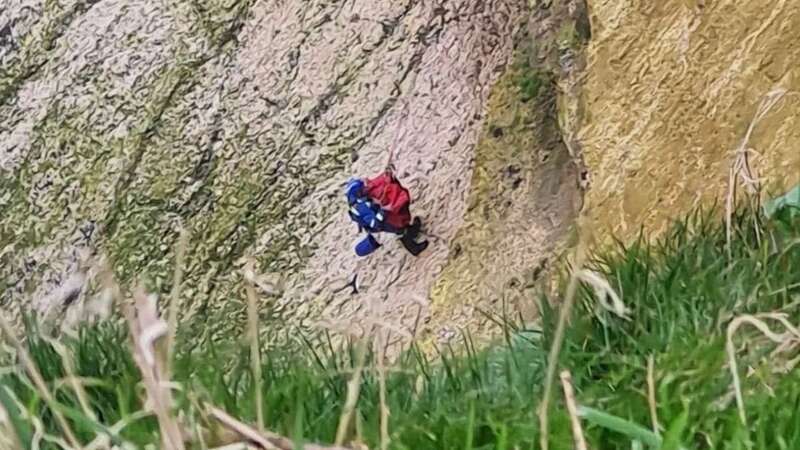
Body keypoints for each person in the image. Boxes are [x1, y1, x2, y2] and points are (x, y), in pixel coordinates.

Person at [344, 170, 429, 257]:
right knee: (400, 231)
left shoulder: (359, 201)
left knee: (400, 223)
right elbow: (375, 223)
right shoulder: (361, 207)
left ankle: (413, 231)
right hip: (380, 230)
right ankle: (415, 249)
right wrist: (384, 210)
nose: (365, 187)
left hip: (381, 223)